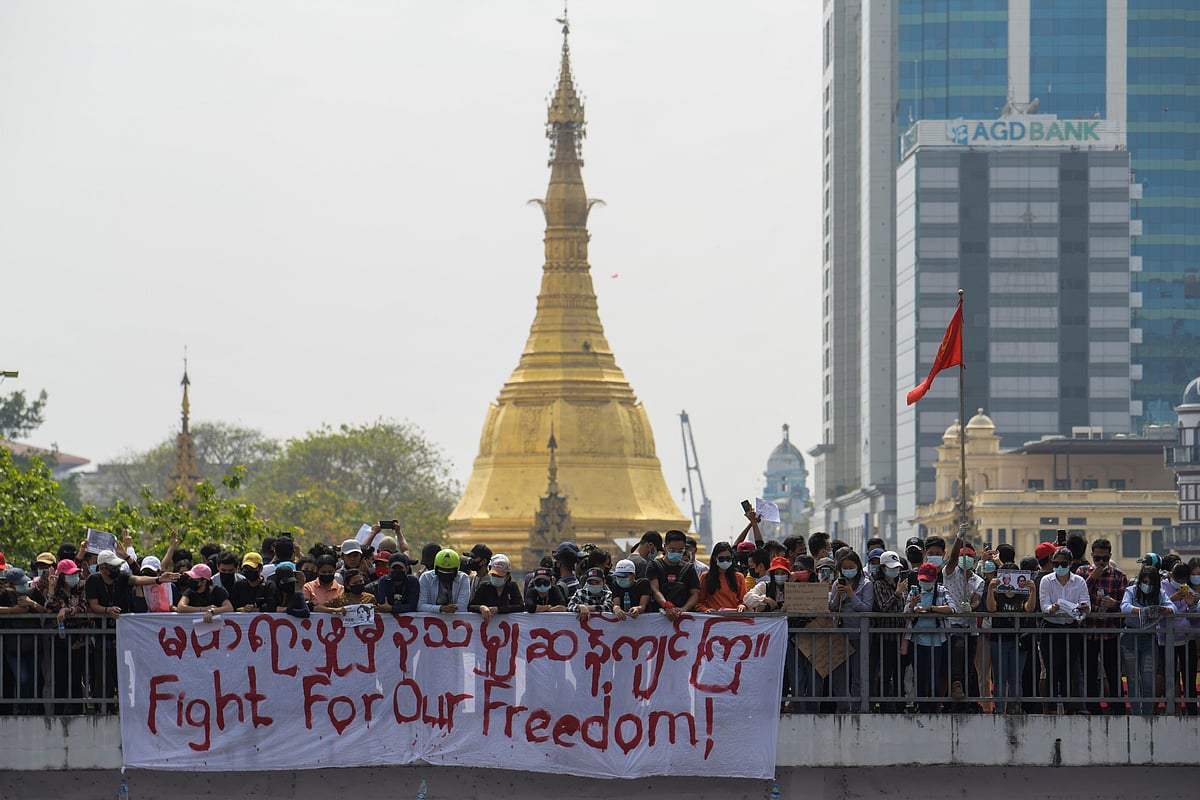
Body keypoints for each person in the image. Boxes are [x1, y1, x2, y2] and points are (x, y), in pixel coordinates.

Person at [1040, 547, 1091, 713]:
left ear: (1070, 564)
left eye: (1062, 563)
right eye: (1055, 563)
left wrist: (1083, 609)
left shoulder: (1079, 581)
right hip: (1051, 627)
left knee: (1069, 669)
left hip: (1071, 627)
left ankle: (1070, 707)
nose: (1059, 566)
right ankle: (1052, 708)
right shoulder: (1046, 580)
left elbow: (1086, 604)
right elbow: (1044, 605)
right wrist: (1051, 608)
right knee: (1052, 669)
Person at [1080, 538, 1128, 715]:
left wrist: (1114, 604)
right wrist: (1092, 579)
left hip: (1110, 632)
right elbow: (1077, 597)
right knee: (1090, 674)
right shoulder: (1082, 572)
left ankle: (1117, 708)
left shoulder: (1119, 576)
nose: (1100, 562)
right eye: (1097, 558)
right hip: (1089, 631)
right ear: (1091, 556)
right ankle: (1093, 708)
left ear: (1110, 557)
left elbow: (1125, 605)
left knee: (1113, 673)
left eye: (1104, 559)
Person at [986, 554, 1038, 713]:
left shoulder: (1023, 592)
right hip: (998, 640)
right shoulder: (997, 592)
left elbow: (1029, 609)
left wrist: (1033, 590)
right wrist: (990, 588)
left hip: (1018, 640)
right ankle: (1000, 709)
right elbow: (991, 609)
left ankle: (1016, 708)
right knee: (1000, 678)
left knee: (1016, 679)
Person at [1120, 564, 1173, 715]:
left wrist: (1165, 609)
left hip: (1149, 638)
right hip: (1130, 637)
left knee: (1148, 680)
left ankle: (1147, 714)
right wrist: (1143, 612)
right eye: (1145, 582)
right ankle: (1136, 714)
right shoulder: (1131, 591)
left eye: (1150, 583)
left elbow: (1172, 607)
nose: (1147, 585)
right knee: (1132, 679)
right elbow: (1124, 607)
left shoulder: (1160, 594)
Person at [941, 527, 983, 707]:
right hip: (953, 624)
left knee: (968, 661)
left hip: (970, 626)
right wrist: (958, 538)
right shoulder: (950, 573)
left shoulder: (977, 581)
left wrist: (970, 608)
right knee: (957, 653)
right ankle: (955, 686)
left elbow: (977, 599)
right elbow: (951, 559)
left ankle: (969, 701)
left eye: (970, 557)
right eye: (962, 556)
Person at [828, 548, 873, 711]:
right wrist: (838, 596)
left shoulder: (866, 585)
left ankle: (856, 707)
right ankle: (843, 706)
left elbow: (866, 608)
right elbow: (832, 607)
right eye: (844, 567)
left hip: (860, 634)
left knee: (858, 674)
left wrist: (851, 594)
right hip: (841, 634)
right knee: (840, 675)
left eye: (851, 566)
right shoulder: (836, 584)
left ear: (858, 566)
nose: (848, 570)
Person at [906, 562, 952, 713]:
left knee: (933, 677)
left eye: (928, 580)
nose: (924, 583)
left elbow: (951, 609)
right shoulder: (914, 593)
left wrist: (929, 608)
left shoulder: (942, 591)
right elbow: (906, 613)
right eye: (922, 580)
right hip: (917, 640)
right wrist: (912, 606)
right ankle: (921, 707)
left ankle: (934, 708)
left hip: (936, 641)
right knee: (919, 676)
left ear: (935, 579)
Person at [871, 550, 907, 713]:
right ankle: (884, 706)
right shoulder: (879, 584)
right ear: (883, 568)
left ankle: (900, 705)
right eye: (891, 568)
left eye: (896, 567)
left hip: (901, 636)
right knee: (885, 673)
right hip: (885, 636)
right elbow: (884, 607)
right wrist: (897, 593)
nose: (894, 571)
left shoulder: (900, 582)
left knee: (900, 673)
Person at [1163, 561, 1199, 714]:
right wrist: (1173, 598)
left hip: (1186, 638)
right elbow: (1159, 608)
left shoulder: (1188, 591)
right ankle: (1171, 709)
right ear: (1171, 575)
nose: (1180, 584)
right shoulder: (1162, 587)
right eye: (1177, 581)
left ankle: (1191, 709)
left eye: (1183, 582)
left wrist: (1191, 606)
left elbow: (1194, 620)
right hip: (1166, 640)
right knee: (1169, 676)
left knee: (1189, 676)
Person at [646, 530, 700, 620]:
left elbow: (694, 594)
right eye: (673, 550)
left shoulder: (688, 568)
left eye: (680, 551)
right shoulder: (654, 565)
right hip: (658, 617)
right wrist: (667, 605)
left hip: (683, 618)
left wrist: (683, 609)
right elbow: (655, 590)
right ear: (665, 547)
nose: (676, 553)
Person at [468, 555, 524, 621]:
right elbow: (471, 606)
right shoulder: (484, 587)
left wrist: (498, 609)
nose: (496, 578)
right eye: (494, 575)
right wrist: (481, 608)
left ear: (507, 576)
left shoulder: (512, 587)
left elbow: (520, 607)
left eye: (499, 576)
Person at [696, 542, 747, 612]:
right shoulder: (706, 576)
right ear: (715, 558)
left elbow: (743, 600)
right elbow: (699, 602)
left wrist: (742, 606)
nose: (725, 561)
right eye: (721, 559)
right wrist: (705, 610)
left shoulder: (739, 577)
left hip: (734, 617)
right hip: (713, 618)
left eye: (728, 558)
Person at [417, 549, 470, 613]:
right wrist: (441, 608)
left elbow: (462, 607)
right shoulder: (426, 577)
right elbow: (420, 606)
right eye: (442, 570)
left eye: (449, 571)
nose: (445, 573)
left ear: (456, 570)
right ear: (436, 569)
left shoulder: (463, 579)